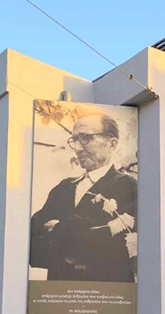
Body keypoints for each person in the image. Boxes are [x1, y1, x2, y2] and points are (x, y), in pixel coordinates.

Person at [30, 112, 137, 282]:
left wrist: (59, 229)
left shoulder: (128, 185)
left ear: (112, 144)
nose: (78, 148)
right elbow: (34, 248)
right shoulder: (64, 187)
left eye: (86, 138)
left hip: (107, 291)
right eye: (74, 140)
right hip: (59, 290)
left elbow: (118, 247)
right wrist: (83, 234)